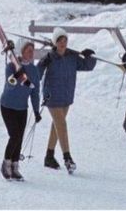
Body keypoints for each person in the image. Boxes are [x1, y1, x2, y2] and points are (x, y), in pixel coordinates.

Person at [39, 29, 97, 173]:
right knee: (62, 124)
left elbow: (87, 66)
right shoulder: (49, 57)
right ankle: (67, 158)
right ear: (55, 42)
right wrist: (42, 63)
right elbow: (37, 74)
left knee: (57, 126)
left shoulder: (72, 57)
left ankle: (49, 156)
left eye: (65, 40)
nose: (63, 43)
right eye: (59, 41)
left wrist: (90, 56)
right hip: (52, 96)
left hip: (66, 96)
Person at [0, 38, 42, 181]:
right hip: (8, 106)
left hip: (22, 108)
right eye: (28, 51)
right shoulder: (11, 67)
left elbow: (34, 92)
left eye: (33, 51)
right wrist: (18, 75)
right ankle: (6, 164)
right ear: (22, 52)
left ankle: (15, 166)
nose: (31, 53)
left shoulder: (34, 71)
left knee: (19, 137)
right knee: (15, 136)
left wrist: (36, 111)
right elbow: (9, 86)